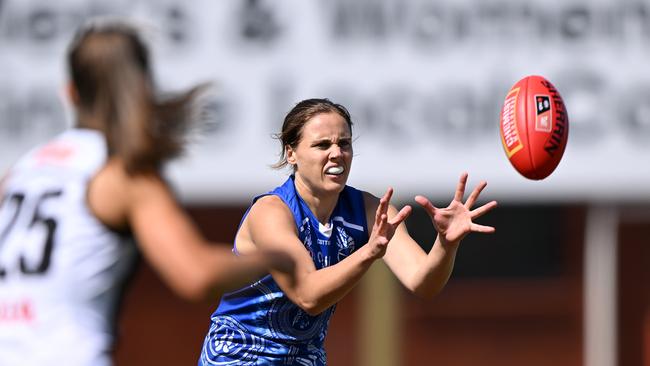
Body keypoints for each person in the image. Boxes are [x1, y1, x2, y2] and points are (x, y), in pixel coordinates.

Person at [0, 20, 287, 366]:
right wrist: (279, 257)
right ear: (144, 89)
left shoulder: (20, 173)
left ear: (71, 93)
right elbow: (196, 275)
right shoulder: (123, 175)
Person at [197, 98, 498, 365]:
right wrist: (369, 253)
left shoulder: (369, 210)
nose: (337, 153)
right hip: (239, 356)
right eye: (322, 145)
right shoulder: (273, 212)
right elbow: (308, 295)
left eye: (345, 143)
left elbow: (423, 283)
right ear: (291, 154)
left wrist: (445, 244)